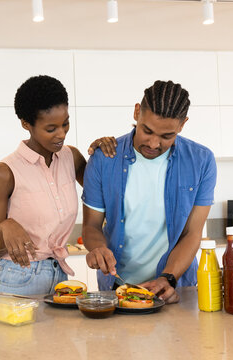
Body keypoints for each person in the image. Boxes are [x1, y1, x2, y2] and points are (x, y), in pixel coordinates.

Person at [81, 80, 217, 304]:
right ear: (137, 112)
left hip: (175, 289)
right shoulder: (105, 158)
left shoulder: (201, 161)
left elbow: (193, 233)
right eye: (147, 130)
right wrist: (98, 249)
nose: (154, 143)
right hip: (116, 289)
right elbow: (91, 225)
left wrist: (168, 278)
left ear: (183, 125)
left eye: (166, 136)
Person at [0, 75, 116, 296]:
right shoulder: (5, 172)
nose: (62, 134)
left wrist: (104, 155)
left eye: (65, 123)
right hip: (16, 278)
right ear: (27, 124)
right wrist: (6, 226)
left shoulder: (71, 157)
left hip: (59, 278)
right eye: (51, 128)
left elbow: (106, 192)